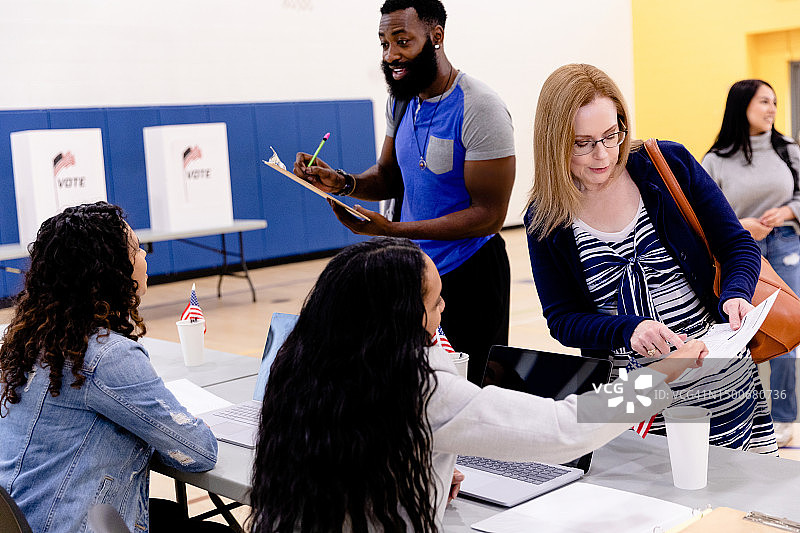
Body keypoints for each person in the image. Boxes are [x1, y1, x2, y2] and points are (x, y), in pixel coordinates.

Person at [247, 237, 707, 532]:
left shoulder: (307, 364)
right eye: (434, 300)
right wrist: (661, 374)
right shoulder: (417, 387)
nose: (445, 306)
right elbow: (566, 428)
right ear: (400, 320)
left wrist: (421, 475)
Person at [524, 64, 777, 453]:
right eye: (582, 142)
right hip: (634, 397)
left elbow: (737, 245)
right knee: (659, 504)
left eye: (612, 135)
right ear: (553, 141)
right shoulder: (547, 217)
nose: (603, 154)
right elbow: (562, 319)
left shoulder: (666, 165)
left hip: (721, 374)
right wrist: (628, 330)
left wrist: (736, 293)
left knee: (744, 499)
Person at [292, 0, 516, 384]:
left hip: (472, 272)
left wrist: (391, 232)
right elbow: (389, 176)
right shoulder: (400, 99)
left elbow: (490, 216)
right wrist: (345, 182)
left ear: (436, 37)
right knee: (412, 386)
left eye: (402, 41)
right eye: (383, 43)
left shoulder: (481, 108)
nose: (391, 55)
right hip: (415, 273)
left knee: (472, 388)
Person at [0, 202, 226, 533]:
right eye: (136, 250)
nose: (145, 255)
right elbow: (200, 451)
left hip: (26, 518)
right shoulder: (107, 356)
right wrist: (150, 428)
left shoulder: (28, 341)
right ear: (108, 272)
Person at [702, 79, 800, 447]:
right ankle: (744, 415)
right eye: (763, 102)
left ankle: (785, 417)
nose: (772, 109)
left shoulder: (788, 150)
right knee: (739, 334)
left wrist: (790, 209)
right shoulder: (714, 160)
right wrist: (738, 226)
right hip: (738, 250)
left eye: (774, 102)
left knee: (789, 333)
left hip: (786, 244)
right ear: (741, 106)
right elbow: (701, 215)